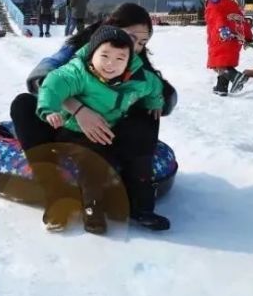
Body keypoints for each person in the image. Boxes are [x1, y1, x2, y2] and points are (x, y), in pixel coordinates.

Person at [9, 3, 177, 231]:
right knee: (23, 105)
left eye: (143, 43)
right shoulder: (85, 49)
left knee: (146, 115)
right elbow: (43, 79)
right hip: (67, 123)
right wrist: (78, 109)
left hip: (109, 130)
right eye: (131, 37)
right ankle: (55, 192)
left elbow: (160, 91)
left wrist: (156, 101)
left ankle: (138, 201)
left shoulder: (132, 60)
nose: (136, 47)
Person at [37, 26, 166, 234]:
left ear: (128, 61)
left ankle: (142, 208)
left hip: (109, 128)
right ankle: (92, 209)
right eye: (104, 55)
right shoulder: (79, 72)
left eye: (119, 59)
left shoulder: (137, 77)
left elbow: (154, 86)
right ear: (92, 54)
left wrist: (155, 102)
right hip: (76, 130)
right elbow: (53, 83)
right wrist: (49, 109)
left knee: (132, 155)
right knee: (92, 162)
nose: (110, 64)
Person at [204, 0, 253, 96]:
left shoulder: (213, 2)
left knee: (219, 63)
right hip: (235, 39)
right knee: (225, 62)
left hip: (221, 37)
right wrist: (248, 37)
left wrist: (222, 29)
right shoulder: (232, 3)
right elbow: (241, 20)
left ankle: (236, 76)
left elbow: (217, 16)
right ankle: (221, 87)